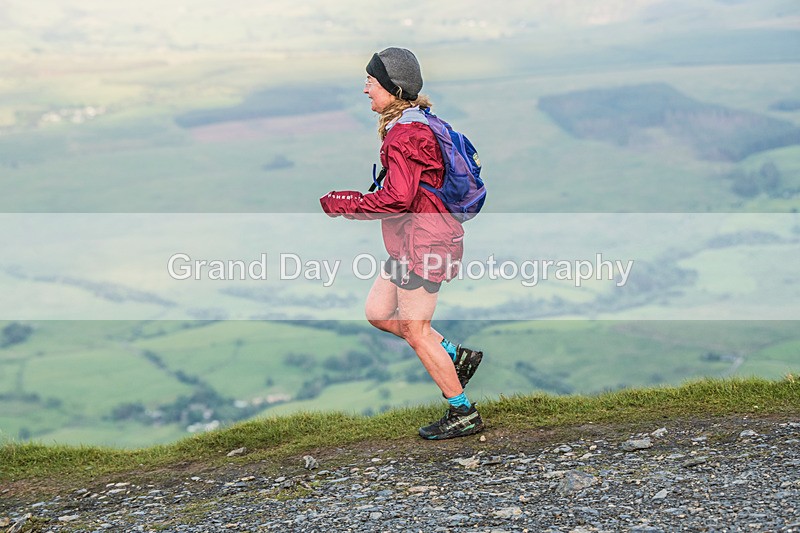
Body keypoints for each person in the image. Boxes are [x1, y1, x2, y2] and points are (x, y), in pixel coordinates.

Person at [319, 47, 484, 440]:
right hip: (409, 241)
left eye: (371, 82)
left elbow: (398, 198)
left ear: (392, 88)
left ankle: (462, 412)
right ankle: (456, 356)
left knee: (415, 328)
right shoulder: (414, 123)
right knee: (378, 312)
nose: (365, 89)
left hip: (426, 242)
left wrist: (347, 203)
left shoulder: (406, 135)